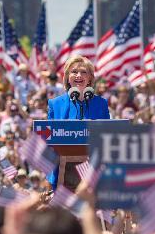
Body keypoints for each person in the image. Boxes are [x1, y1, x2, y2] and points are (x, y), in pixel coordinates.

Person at [46, 56, 110, 188]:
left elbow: (107, 136)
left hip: (93, 172)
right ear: (67, 77)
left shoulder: (101, 104)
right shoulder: (55, 104)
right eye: (74, 72)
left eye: (83, 72)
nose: (78, 75)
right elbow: (48, 138)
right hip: (63, 172)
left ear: (90, 78)